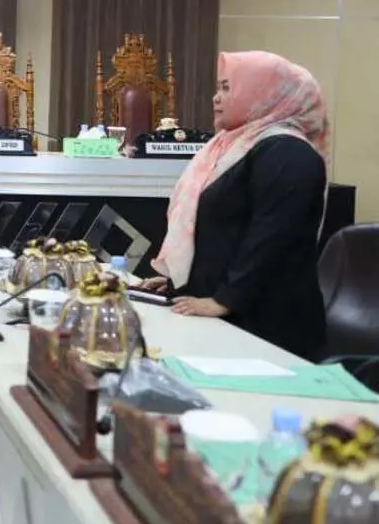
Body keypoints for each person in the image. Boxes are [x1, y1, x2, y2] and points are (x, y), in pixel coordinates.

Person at [140, 51, 330, 361]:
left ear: (264, 93)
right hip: (224, 313)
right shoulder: (231, 146)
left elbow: (272, 240)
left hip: (264, 327)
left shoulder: (288, 153)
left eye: (228, 88)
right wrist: (183, 280)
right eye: (219, 87)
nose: (216, 98)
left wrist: (225, 300)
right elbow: (221, 231)